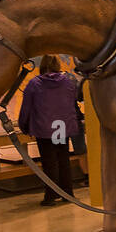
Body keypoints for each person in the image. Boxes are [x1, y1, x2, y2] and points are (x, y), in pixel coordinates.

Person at [18, 55, 81, 205]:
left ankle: (51, 196)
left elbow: (26, 108)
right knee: (63, 160)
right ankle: (68, 194)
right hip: (62, 127)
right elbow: (73, 102)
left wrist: (24, 125)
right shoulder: (67, 81)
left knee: (49, 163)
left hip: (44, 128)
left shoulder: (35, 83)